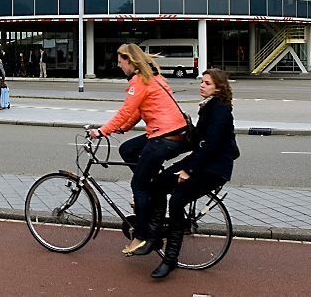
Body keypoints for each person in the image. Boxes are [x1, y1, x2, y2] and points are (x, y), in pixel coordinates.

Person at [88, 43, 191, 256]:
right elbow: (136, 112)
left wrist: (102, 131)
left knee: (138, 185)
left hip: (164, 137)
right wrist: (123, 128)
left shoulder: (139, 82)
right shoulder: (154, 78)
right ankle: (151, 188)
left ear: (131, 61)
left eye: (120, 62)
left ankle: (142, 236)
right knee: (127, 150)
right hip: (173, 134)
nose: (119, 66)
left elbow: (125, 109)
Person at [145, 68, 240, 279]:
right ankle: (154, 235)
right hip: (202, 162)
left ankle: (169, 260)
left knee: (177, 201)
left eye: (207, 83)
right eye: (202, 82)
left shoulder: (220, 110)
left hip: (214, 168)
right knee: (159, 182)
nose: (201, 85)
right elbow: (198, 140)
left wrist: (188, 170)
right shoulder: (209, 107)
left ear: (218, 87)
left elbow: (211, 145)